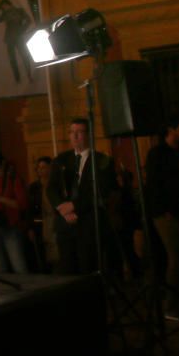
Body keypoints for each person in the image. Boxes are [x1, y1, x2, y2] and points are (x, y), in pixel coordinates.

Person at [46, 118, 116, 275]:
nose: (75, 136)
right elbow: (51, 188)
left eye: (79, 132)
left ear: (88, 135)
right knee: (67, 268)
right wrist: (62, 208)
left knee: (87, 267)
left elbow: (102, 191)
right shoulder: (61, 160)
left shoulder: (101, 160)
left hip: (88, 223)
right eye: (72, 132)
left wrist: (74, 206)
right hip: (65, 223)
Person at [145, 117, 179, 322]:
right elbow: (155, 184)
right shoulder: (157, 154)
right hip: (167, 214)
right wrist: (163, 209)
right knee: (177, 258)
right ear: (170, 131)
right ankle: (172, 305)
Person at [0, 0, 33, 85]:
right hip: (9, 37)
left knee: (24, 55)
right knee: (12, 58)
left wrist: (22, 29)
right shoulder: (5, 13)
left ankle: (29, 75)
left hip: (18, 36)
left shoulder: (19, 11)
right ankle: (17, 78)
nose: (4, 8)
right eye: (2, 8)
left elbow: (28, 20)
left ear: (8, 4)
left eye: (4, 6)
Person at [27, 156, 56, 272]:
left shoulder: (55, 185)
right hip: (39, 225)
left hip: (52, 223)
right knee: (41, 254)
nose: (40, 170)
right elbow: (30, 208)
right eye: (38, 167)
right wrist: (30, 227)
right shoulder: (34, 187)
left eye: (43, 167)